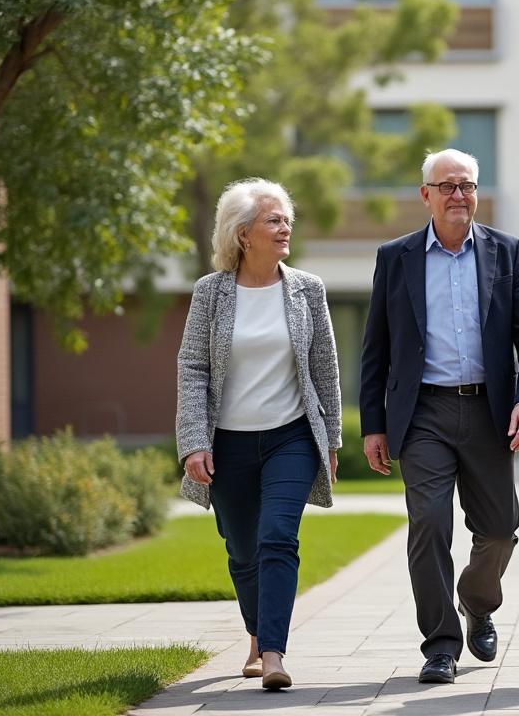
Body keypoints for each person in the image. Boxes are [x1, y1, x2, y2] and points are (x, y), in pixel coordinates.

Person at [359, 148, 519, 685]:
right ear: (426, 195)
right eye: (446, 186)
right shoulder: (395, 257)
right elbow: (376, 348)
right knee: (429, 523)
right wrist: (374, 425)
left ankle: (477, 602)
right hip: (423, 412)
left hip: (489, 410)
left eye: (466, 185)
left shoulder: (505, 251)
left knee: (500, 530)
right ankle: (440, 645)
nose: (458, 195)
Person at [176, 178, 342, 691]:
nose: (285, 227)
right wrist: (194, 442)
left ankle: (273, 653)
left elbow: (325, 368)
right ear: (243, 233)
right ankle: (255, 635)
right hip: (227, 442)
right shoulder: (211, 293)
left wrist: (331, 441)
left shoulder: (307, 289)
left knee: (277, 537)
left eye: (287, 218)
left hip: (291, 437)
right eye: (274, 220)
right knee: (242, 549)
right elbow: (192, 367)